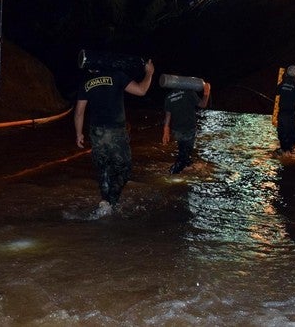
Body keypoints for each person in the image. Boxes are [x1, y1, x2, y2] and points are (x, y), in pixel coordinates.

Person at [74, 58, 155, 218]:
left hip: (96, 131)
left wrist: (78, 133)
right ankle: (111, 201)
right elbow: (141, 90)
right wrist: (149, 74)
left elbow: (79, 112)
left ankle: (104, 200)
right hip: (116, 131)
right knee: (124, 169)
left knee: (103, 167)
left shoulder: (87, 81)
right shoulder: (117, 75)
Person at [162, 80, 211, 174]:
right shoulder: (189, 92)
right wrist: (206, 92)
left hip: (176, 131)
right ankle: (172, 174)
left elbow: (168, 116)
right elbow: (203, 104)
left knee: (184, 150)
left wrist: (166, 132)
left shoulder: (168, 97)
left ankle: (187, 167)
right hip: (189, 129)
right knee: (184, 155)